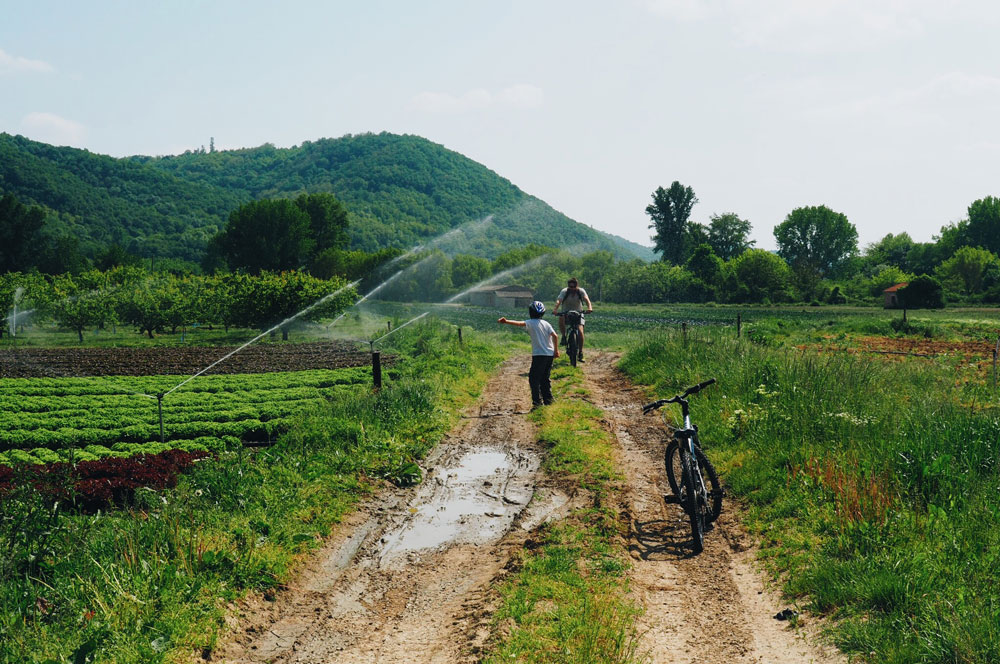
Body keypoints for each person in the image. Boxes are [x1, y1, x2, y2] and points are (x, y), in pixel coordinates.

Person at [498, 300, 560, 408]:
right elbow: (555, 336)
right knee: (545, 377)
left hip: (539, 355)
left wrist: (506, 321)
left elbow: (519, 323)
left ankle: (537, 403)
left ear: (530, 312)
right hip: (549, 354)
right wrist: (556, 351)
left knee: (534, 378)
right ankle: (548, 400)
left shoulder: (531, 323)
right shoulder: (546, 323)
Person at [553, 277, 593, 362]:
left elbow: (586, 299)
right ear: (568, 286)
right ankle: (564, 336)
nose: (572, 289)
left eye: (573, 287)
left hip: (578, 313)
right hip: (566, 312)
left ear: (576, 286)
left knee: (580, 331)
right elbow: (559, 301)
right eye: (570, 287)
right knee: (561, 317)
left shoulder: (581, 291)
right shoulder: (564, 291)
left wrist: (589, 308)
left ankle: (581, 352)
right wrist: (555, 309)